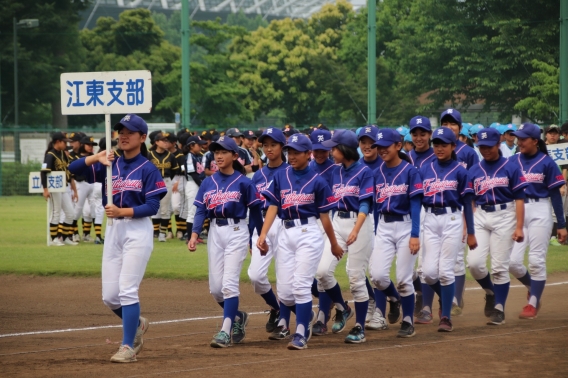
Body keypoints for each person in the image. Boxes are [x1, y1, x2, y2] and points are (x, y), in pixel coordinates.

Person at [69, 114, 167, 363]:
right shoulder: (109, 163)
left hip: (137, 230)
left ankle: (127, 347)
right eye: (120, 131)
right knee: (110, 297)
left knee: (127, 291)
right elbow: (73, 169)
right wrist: (97, 157)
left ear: (142, 137)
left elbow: (153, 206)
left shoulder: (148, 168)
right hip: (113, 229)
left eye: (130, 132)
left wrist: (123, 211)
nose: (123, 135)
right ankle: (137, 323)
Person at [257, 133, 341, 350]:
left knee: (301, 286)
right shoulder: (281, 176)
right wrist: (263, 234)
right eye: (289, 152)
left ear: (308, 154)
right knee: (285, 293)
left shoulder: (318, 181)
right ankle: (307, 313)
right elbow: (273, 207)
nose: (291, 156)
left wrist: (333, 243)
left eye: (296, 152)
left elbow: (325, 218)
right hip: (285, 233)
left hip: (309, 232)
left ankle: (301, 332)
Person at [187, 136, 263, 348]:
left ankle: (225, 331)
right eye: (216, 152)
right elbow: (201, 210)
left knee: (229, 285)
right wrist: (194, 234)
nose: (219, 156)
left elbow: (256, 212)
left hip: (237, 230)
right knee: (215, 289)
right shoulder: (208, 182)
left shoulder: (244, 183)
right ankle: (238, 317)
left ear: (235, 156)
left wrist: (256, 237)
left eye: (224, 152)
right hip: (215, 232)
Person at [311, 129, 374, 344]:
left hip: (360, 223)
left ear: (345, 150)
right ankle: (343, 307)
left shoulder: (365, 171)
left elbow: (365, 202)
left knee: (356, 277)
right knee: (321, 271)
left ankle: (360, 327)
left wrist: (356, 228)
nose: (331, 150)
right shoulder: (334, 171)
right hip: (337, 221)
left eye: (334, 147)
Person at [419, 127, 477, 332]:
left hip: (452, 218)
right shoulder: (425, 169)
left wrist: (470, 232)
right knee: (427, 273)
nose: (439, 148)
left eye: (444, 144)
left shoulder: (461, 170)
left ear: (454, 146)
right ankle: (447, 299)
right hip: (430, 219)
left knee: (445, 271)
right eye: (436, 144)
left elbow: (468, 202)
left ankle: (446, 317)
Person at [467, 127, 527, 325]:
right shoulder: (474, 170)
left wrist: (519, 227)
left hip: (505, 214)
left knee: (500, 266)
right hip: (481, 215)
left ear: (498, 144)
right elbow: (470, 200)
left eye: (489, 146)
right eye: (481, 146)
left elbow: (519, 198)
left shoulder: (510, 166)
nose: (485, 150)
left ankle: (499, 308)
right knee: (474, 264)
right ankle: (490, 292)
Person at [508, 123, 567, 319]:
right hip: (517, 210)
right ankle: (533, 287)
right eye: (518, 138)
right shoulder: (512, 160)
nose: (519, 141)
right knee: (512, 263)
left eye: (524, 138)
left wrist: (562, 225)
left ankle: (533, 303)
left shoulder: (547, 162)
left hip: (540, 209)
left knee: (535, 259)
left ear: (535, 141)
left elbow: (555, 195)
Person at [370, 128, 423, 338]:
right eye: (379, 147)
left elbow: (416, 205)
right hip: (383, 226)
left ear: (398, 146)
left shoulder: (410, 172)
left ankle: (408, 320)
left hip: (406, 225)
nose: (381, 150)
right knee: (378, 276)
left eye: (386, 146)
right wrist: (375, 233)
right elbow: (375, 208)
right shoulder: (376, 174)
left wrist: (415, 234)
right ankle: (394, 299)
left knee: (403, 278)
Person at [248, 128, 289, 339]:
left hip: (283, 224)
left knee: (284, 279)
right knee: (255, 275)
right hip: (261, 224)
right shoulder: (259, 175)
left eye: (273, 144)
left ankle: (285, 323)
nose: (269, 148)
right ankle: (276, 307)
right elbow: (253, 207)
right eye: (265, 145)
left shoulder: (290, 171)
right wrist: (250, 235)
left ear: (282, 147)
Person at [440, 108, 479, 317]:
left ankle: (456, 298)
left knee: (457, 256)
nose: (448, 127)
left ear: (460, 128)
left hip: (461, 209)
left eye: (452, 123)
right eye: (444, 123)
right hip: (436, 211)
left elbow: (475, 182)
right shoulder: (435, 152)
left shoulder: (468, 153)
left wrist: (470, 210)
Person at [407, 116, 437, 325]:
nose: (419, 137)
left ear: (430, 135)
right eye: (415, 134)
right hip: (406, 212)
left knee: (424, 265)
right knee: (407, 268)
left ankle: (427, 306)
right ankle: (420, 293)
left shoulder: (437, 156)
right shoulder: (405, 157)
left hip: (429, 211)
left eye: (423, 133)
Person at [42, 132, 78, 246]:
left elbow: (68, 171)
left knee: (70, 213)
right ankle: (53, 239)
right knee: (55, 212)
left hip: (63, 186)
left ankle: (65, 237)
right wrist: (45, 189)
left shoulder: (62, 154)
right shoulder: (50, 155)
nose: (65, 144)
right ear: (58, 142)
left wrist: (74, 189)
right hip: (54, 186)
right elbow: (44, 172)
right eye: (64, 142)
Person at [148, 132, 179, 241]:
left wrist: (169, 181)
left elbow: (175, 170)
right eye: (163, 140)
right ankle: (154, 232)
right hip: (152, 182)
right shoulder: (149, 154)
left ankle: (162, 234)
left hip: (165, 181)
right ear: (156, 142)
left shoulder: (170, 155)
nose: (166, 143)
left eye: (167, 141)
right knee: (153, 207)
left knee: (165, 209)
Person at [70, 136, 99, 243]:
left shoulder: (94, 157)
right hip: (80, 183)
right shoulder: (76, 158)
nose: (91, 147)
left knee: (91, 210)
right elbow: (71, 173)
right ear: (82, 145)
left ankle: (86, 234)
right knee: (77, 210)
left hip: (92, 184)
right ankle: (73, 233)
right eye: (88, 145)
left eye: (92, 145)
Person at [543, 124, 568, 247]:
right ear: (546, 134)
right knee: (545, 211)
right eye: (550, 132)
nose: (553, 135)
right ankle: (548, 236)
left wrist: (562, 185)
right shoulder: (541, 148)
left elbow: (565, 168)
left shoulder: (562, 148)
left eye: (555, 133)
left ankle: (555, 236)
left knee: (559, 211)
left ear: (559, 135)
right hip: (543, 184)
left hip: (558, 184)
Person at [182, 135, 207, 243]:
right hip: (193, 184)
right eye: (198, 144)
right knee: (192, 211)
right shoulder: (189, 156)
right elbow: (192, 173)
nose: (201, 147)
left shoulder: (198, 156)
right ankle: (190, 238)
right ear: (191, 146)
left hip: (198, 183)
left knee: (199, 211)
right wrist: (202, 186)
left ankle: (196, 236)